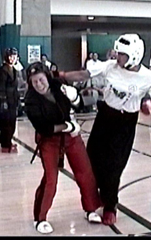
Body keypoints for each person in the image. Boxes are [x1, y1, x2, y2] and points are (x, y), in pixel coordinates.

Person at [61, 33, 151, 226]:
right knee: (91, 160)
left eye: (122, 55)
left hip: (125, 124)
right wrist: (62, 76)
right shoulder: (110, 66)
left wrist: (150, 107)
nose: (117, 57)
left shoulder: (148, 77)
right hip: (105, 117)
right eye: (117, 53)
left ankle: (110, 206)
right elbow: (85, 74)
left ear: (134, 55)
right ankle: (96, 198)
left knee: (114, 167)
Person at [24, 62, 102, 234]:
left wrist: (75, 98)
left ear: (47, 77)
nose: (39, 84)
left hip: (71, 137)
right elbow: (43, 127)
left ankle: (90, 208)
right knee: (51, 178)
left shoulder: (58, 85)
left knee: (85, 171)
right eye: (34, 81)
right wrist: (67, 126)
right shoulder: (30, 100)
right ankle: (40, 218)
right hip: (49, 139)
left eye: (41, 79)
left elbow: (80, 105)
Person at [0, 47, 20, 153]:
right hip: (6, 100)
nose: (12, 58)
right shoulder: (3, 70)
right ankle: (5, 144)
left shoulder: (14, 69)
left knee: (12, 122)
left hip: (13, 99)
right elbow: (1, 87)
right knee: (6, 123)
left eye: (14, 56)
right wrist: (3, 101)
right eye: (11, 56)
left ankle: (8, 141)